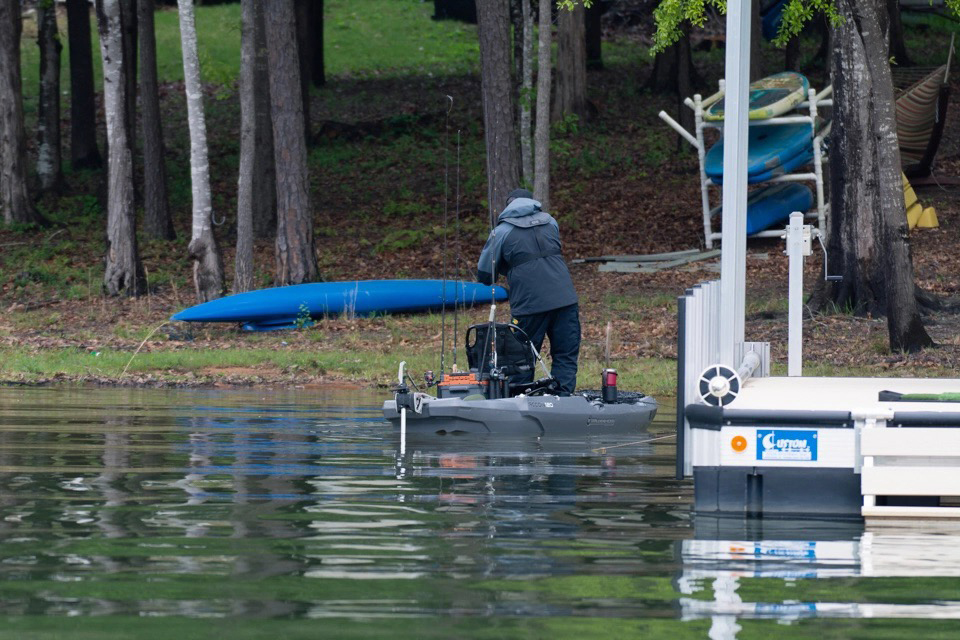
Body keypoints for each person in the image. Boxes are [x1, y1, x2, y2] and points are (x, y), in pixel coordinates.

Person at [476, 188, 581, 395]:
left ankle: (520, 402)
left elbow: (485, 275)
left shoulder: (502, 232)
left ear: (509, 205)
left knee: (521, 360)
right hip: (565, 299)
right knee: (565, 354)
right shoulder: (550, 221)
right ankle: (563, 400)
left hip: (529, 305)